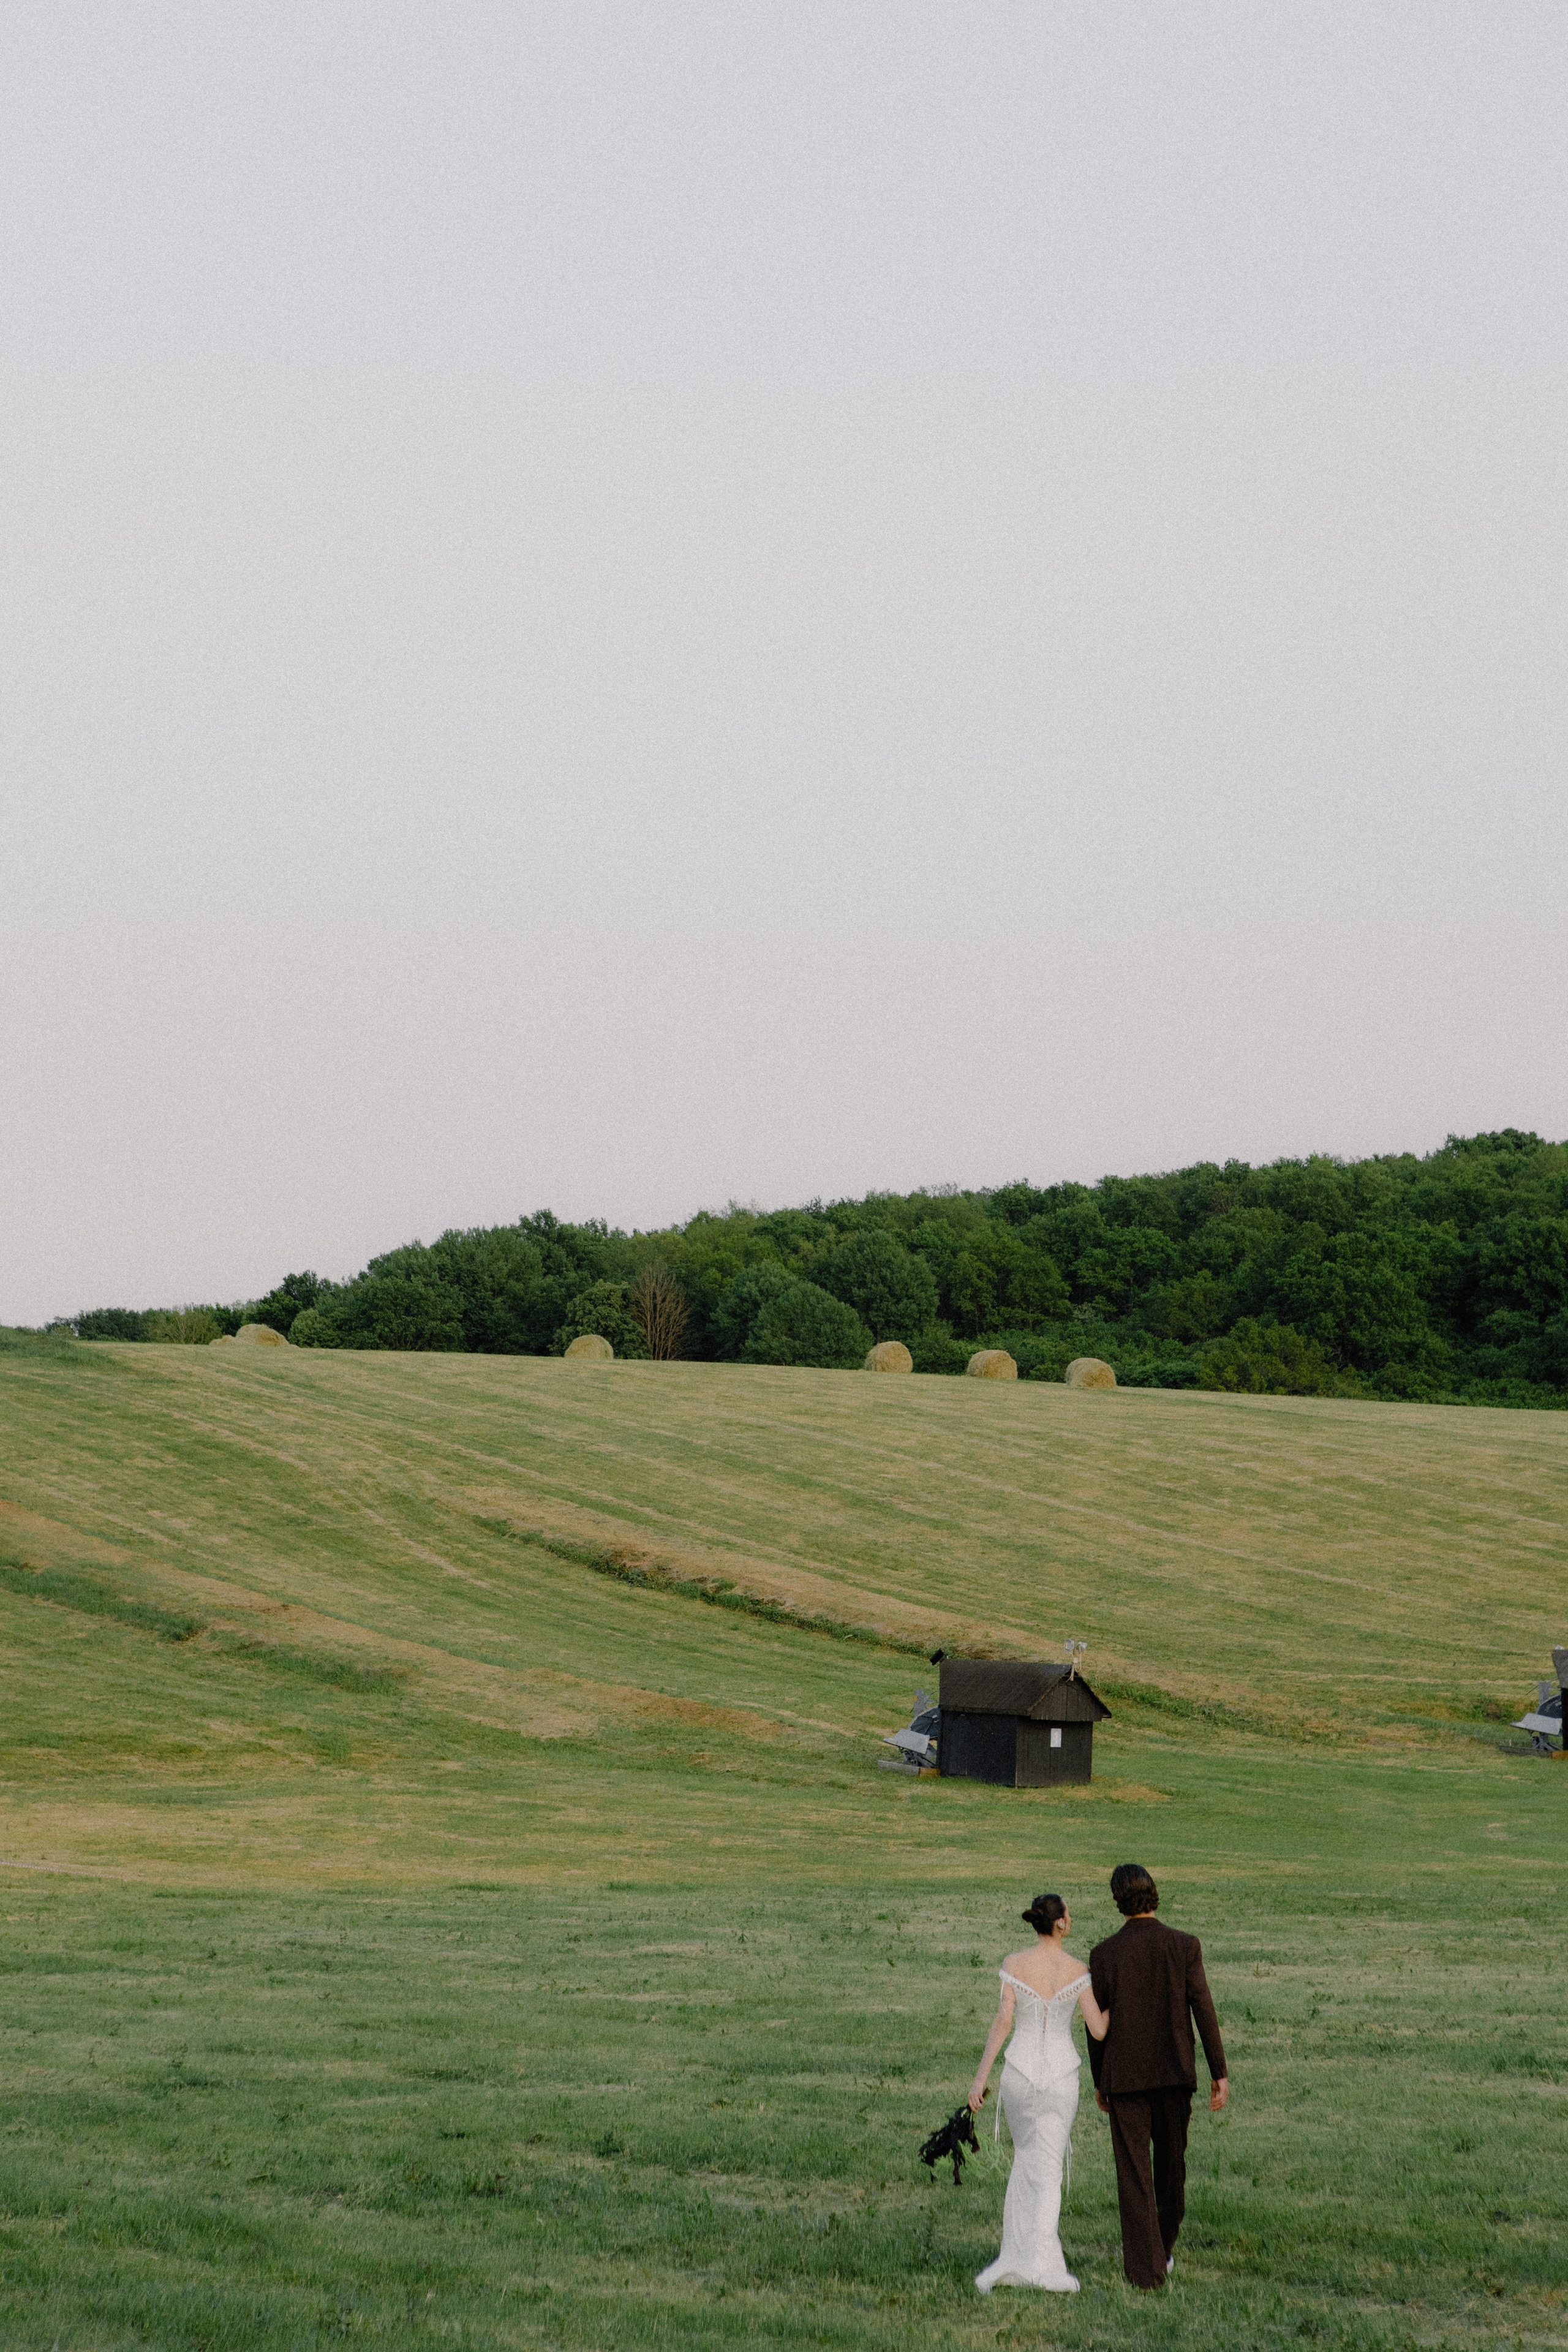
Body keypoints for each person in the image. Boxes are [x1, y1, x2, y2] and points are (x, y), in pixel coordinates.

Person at [1087, 1862, 1228, 2291]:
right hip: (1174, 2075)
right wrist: (1219, 2071)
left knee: (1134, 2176)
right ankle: (1160, 2251)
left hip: (1124, 2079)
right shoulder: (1184, 1946)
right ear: (1153, 1892)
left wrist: (1100, 2081)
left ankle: (1146, 2270)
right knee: (1171, 2169)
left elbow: (1096, 2029)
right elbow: (1203, 2007)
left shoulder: (1104, 1954)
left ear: (1118, 1901)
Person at [967, 1892, 1111, 2294]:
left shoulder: (1014, 1964)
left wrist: (979, 2080)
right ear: (1060, 1922)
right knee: (1048, 2168)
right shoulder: (1077, 1970)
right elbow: (1099, 2030)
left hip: (1019, 2075)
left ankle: (1020, 2255)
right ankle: (1039, 2263)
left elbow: (1003, 2021)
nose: (1071, 1918)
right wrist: (1123, 2000)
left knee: (1026, 2159)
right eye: (1069, 1913)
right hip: (1061, 2079)